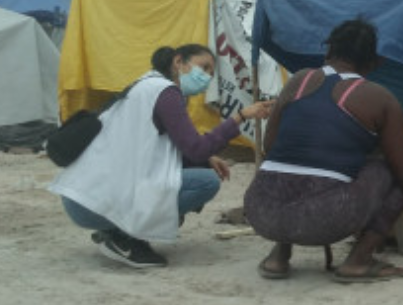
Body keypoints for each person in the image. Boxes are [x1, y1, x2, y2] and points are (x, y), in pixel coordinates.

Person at [244, 18, 403, 282]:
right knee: (393, 168)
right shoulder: (379, 98)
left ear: (328, 52)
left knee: (290, 167)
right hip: (323, 220)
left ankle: (279, 257)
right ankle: (359, 260)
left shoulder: (298, 81)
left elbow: (270, 145)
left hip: (261, 210)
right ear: (374, 63)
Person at [50, 44, 273, 269]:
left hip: (82, 197)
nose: (206, 77)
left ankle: (114, 230)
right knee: (207, 182)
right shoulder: (166, 92)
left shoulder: (147, 86)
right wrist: (241, 116)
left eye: (211, 73)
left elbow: (157, 150)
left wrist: (206, 159)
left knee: (202, 168)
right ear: (178, 62)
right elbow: (196, 148)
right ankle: (125, 237)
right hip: (91, 204)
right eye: (203, 67)